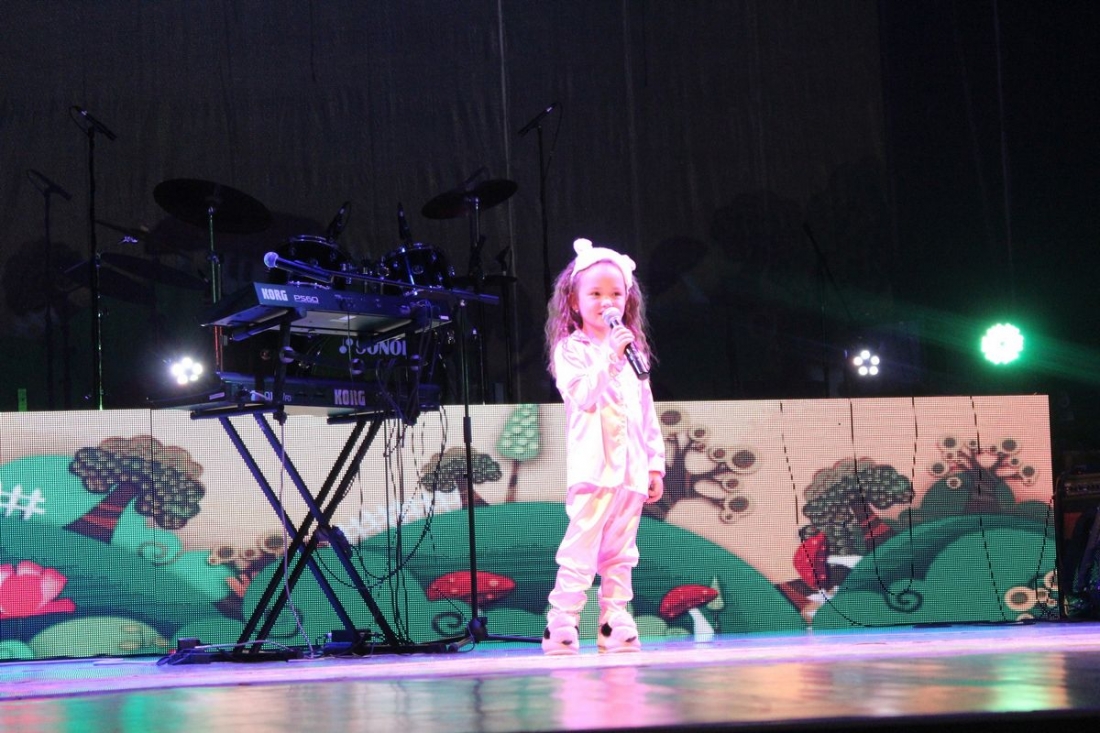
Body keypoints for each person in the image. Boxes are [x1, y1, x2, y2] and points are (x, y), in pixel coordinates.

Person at [542, 238, 666, 655]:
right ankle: (562, 621)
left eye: (615, 293)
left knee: (621, 552)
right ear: (574, 302)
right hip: (594, 469)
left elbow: (646, 412)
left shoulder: (633, 353)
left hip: (630, 471)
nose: (606, 302)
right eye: (594, 293)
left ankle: (614, 620)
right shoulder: (571, 350)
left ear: (627, 300)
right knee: (581, 548)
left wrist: (654, 465)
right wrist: (610, 357)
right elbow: (583, 395)